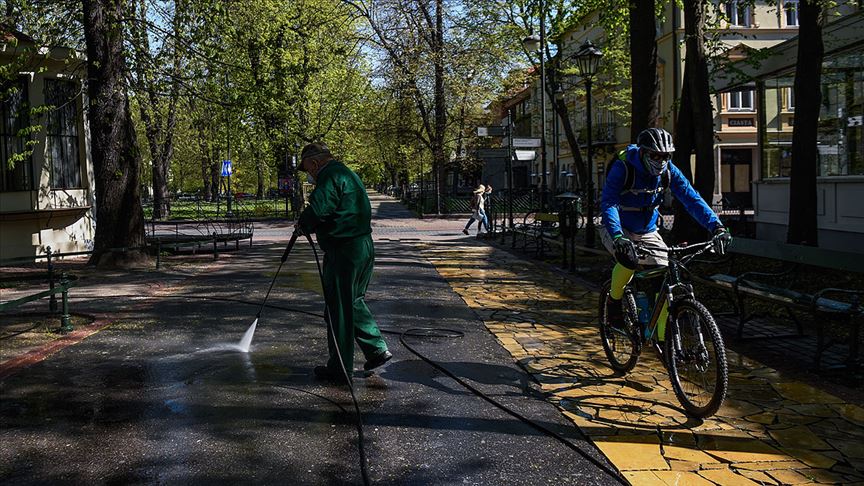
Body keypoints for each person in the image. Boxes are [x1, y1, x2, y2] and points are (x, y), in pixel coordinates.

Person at [600, 128, 732, 337]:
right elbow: (609, 203)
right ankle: (614, 302)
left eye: (665, 156)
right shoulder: (624, 168)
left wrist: (716, 227)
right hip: (618, 228)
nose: (661, 160)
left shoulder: (669, 171)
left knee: (663, 278)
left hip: (648, 230)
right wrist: (618, 235)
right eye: (655, 155)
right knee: (629, 260)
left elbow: (691, 198)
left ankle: (662, 339)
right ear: (643, 152)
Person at [295, 142, 391, 383]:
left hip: (344, 250)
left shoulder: (329, 176)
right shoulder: (348, 173)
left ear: (315, 163)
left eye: (307, 168)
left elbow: (318, 209)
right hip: (363, 246)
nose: (308, 174)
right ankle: (376, 350)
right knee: (353, 301)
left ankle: (340, 368)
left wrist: (303, 224)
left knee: (339, 308)